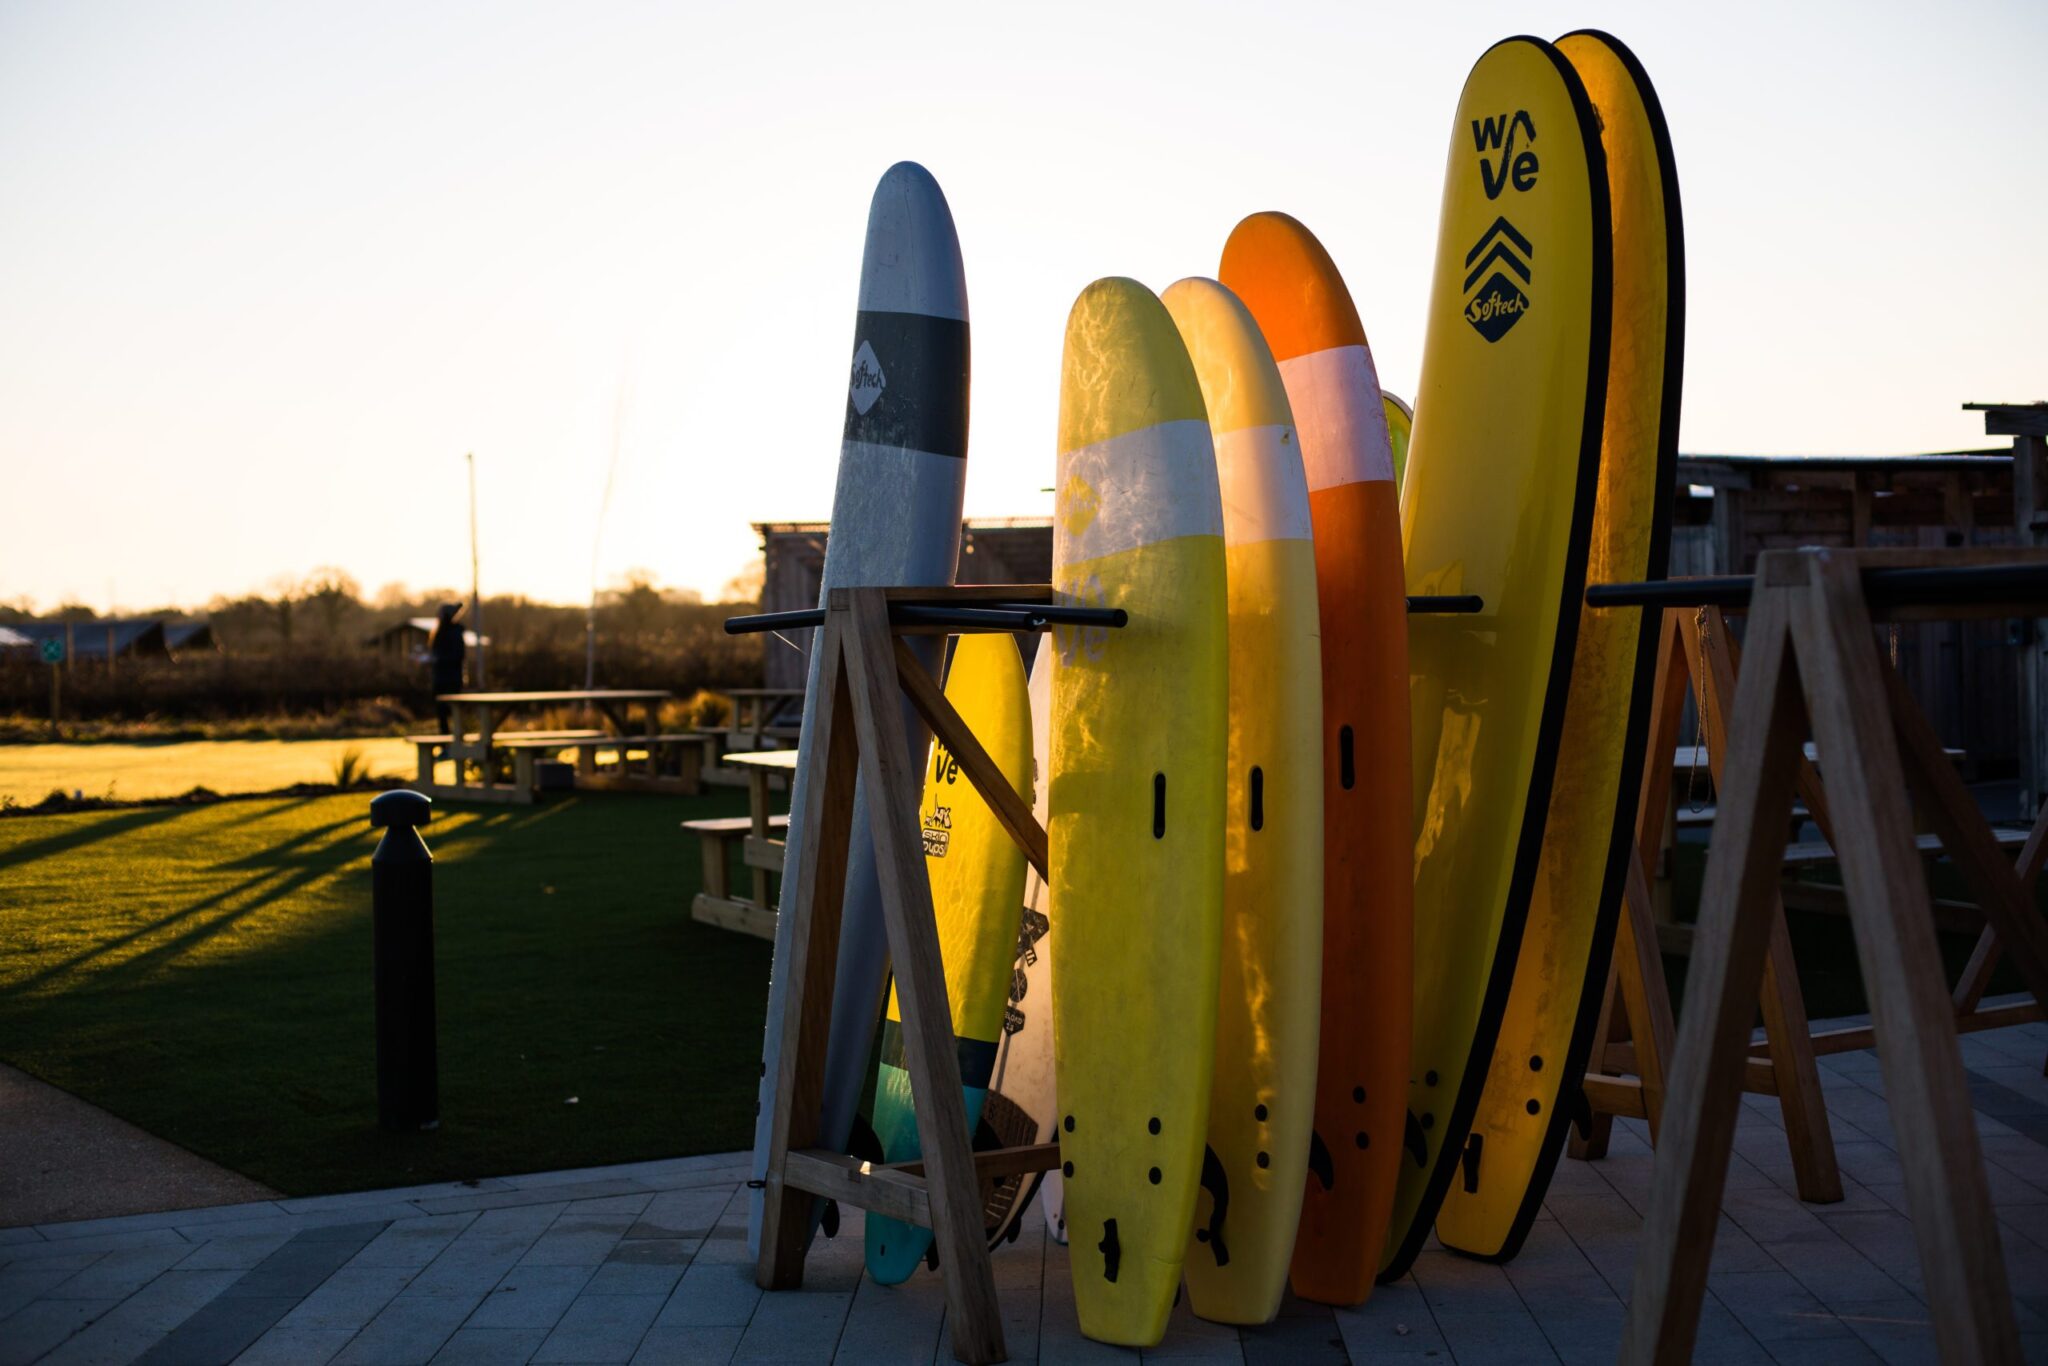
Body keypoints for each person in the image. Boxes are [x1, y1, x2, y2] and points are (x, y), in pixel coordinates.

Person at [429, 603, 467, 733]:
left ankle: (454, 742)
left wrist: (438, 660)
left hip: (449, 680)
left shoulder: (453, 633)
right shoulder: (440, 633)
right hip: (442, 679)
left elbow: (458, 656)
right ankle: (446, 743)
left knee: (452, 714)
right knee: (443, 715)